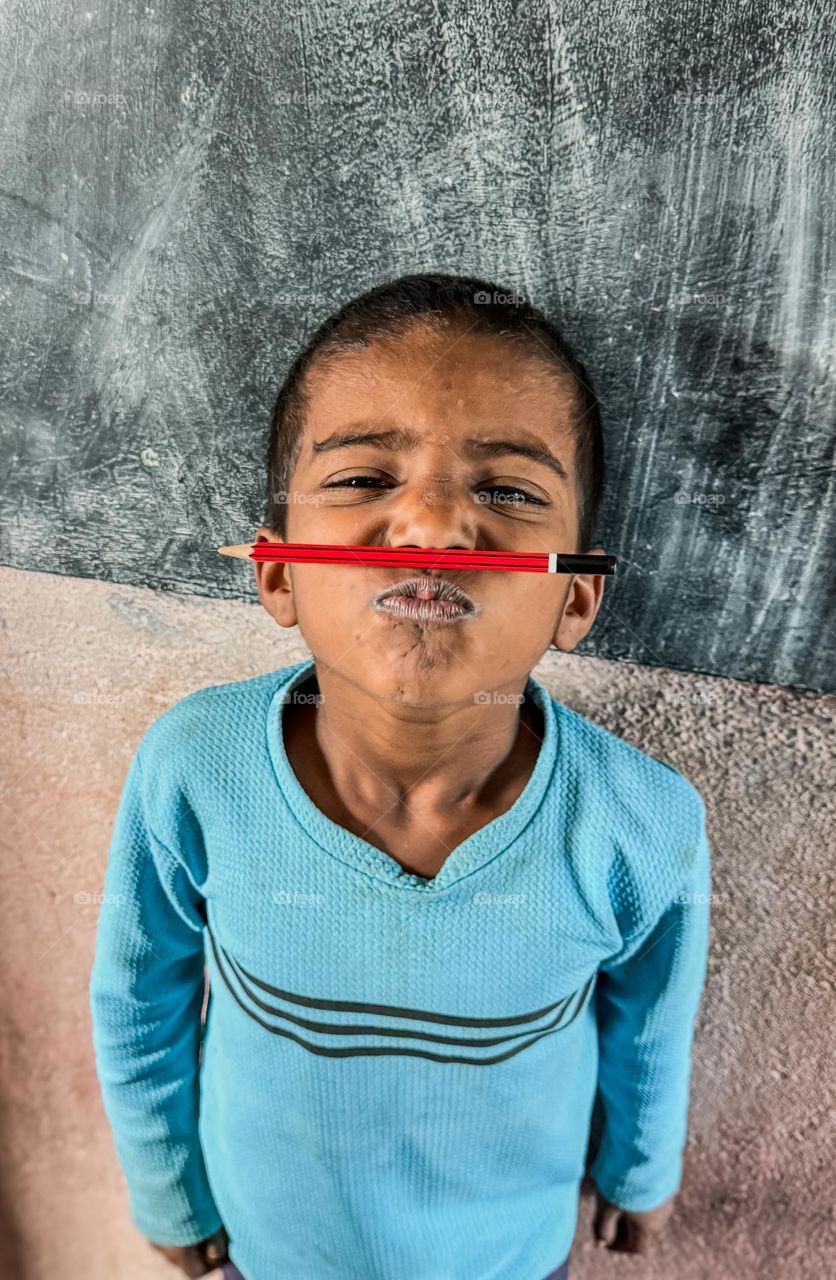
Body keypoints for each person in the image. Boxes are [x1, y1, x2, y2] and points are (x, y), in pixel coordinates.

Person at [89, 272, 711, 1279]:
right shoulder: (193, 767)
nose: (428, 528)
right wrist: (166, 1188)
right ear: (278, 572)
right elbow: (137, 999)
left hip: (511, 1256)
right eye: (363, 479)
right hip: (270, 1249)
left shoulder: (640, 823)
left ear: (575, 601)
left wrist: (641, 1172)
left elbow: (649, 1025)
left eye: (506, 490)